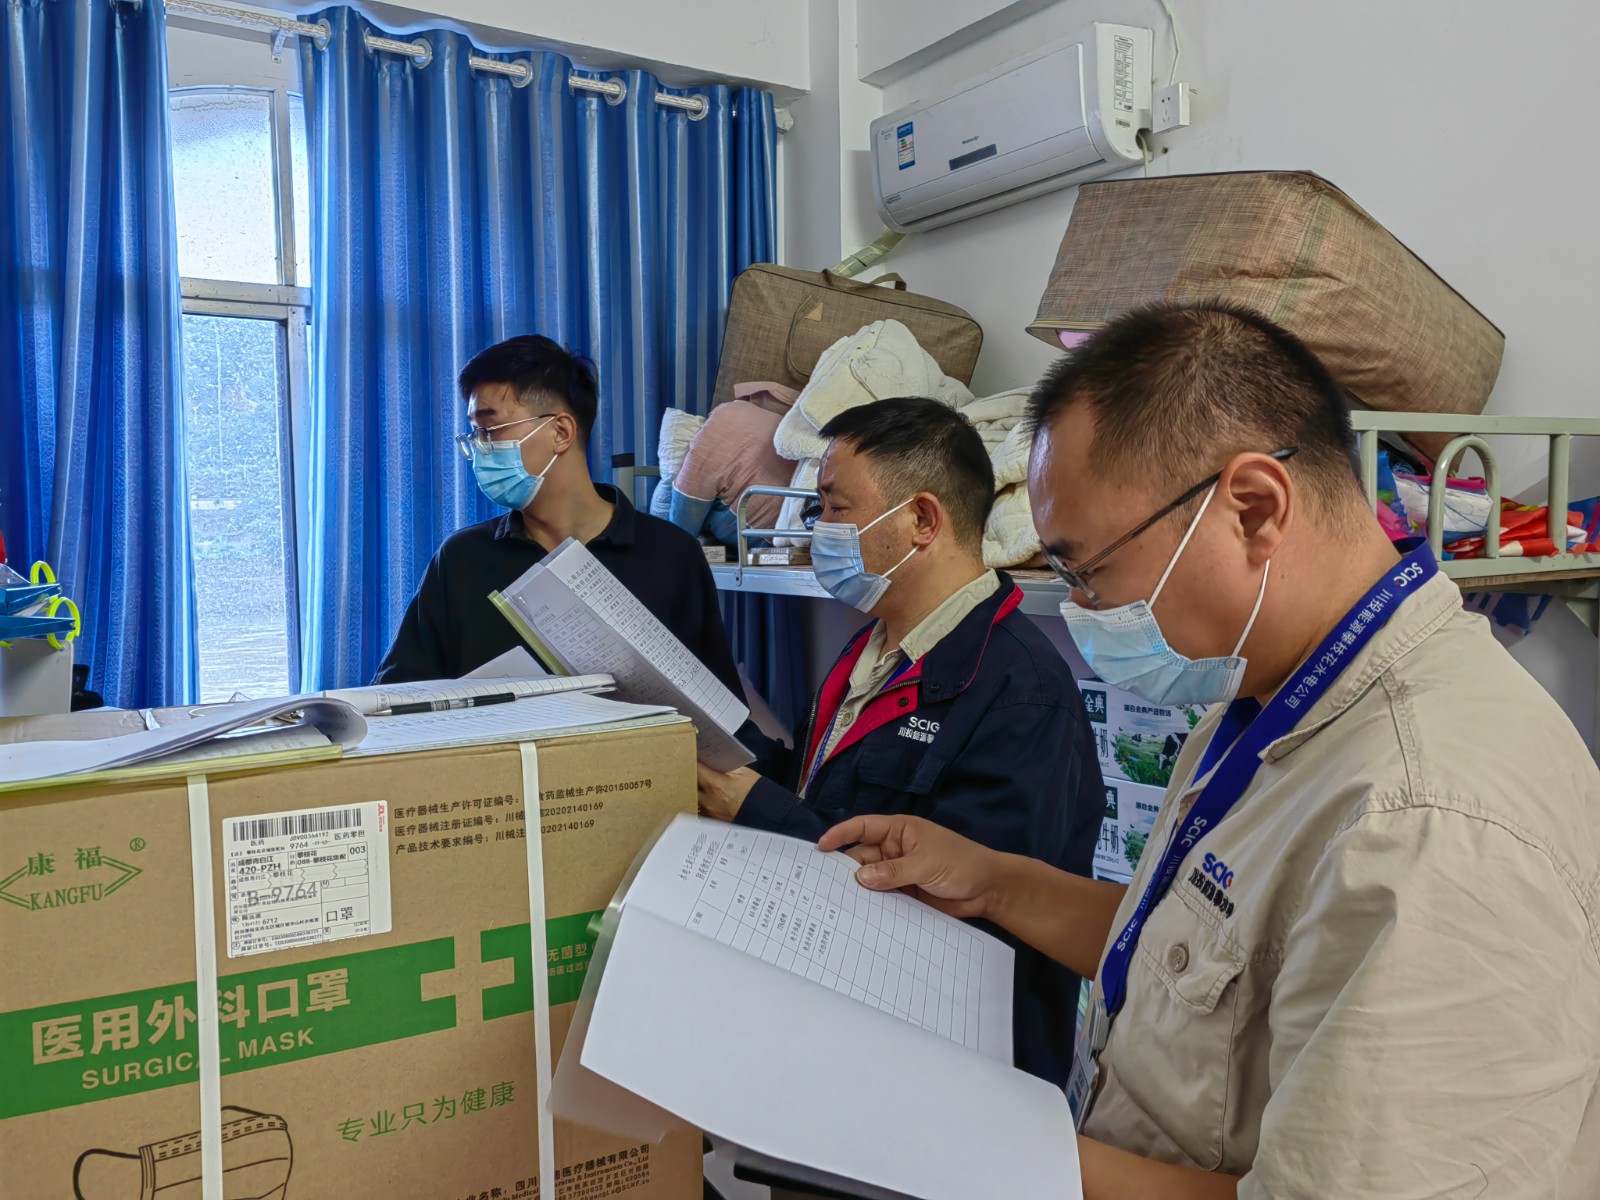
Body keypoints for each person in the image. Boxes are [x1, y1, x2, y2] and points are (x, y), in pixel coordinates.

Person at [821, 304, 1600, 1199]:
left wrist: (984, 1143)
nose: (1079, 609)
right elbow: (1192, 959)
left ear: (1255, 509)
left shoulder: (1429, 823)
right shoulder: (1263, 697)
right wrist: (991, 881)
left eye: (1087, 571)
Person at [695, 396, 1104, 1088]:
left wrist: (756, 808)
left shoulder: (1023, 691)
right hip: (842, 1030)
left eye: (835, 507)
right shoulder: (872, 649)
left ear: (921, 520)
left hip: (954, 1072)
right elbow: (822, 789)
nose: (819, 529)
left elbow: (963, 918)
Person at [375, 335, 742, 695]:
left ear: (561, 432)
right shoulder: (461, 560)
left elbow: (722, 711)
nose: (480, 449)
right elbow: (395, 698)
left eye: (489, 430)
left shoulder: (671, 555)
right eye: (475, 434)